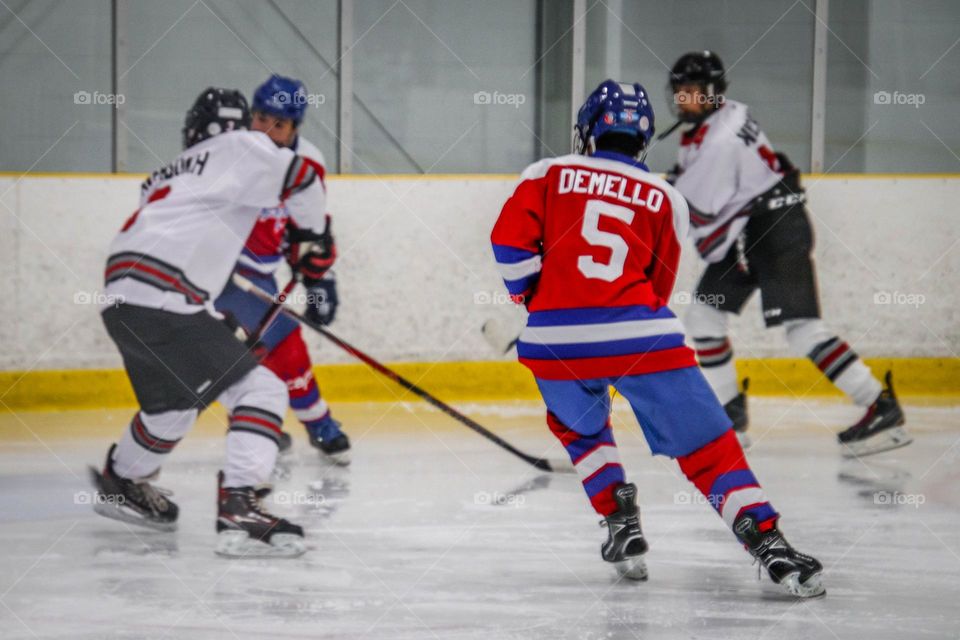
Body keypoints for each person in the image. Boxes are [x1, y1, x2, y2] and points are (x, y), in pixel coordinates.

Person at [490, 80, 825, 598]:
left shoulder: (547, 172)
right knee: (710, 450)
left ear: (588, 129)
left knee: (582, 431)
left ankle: (620, 520)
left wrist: (532, 302)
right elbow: (659, 282)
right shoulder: (666, 196)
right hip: (642, 337)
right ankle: (769, 542)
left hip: (554, 344)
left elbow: (509, 246)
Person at [89, 87, 335, 557]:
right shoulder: (243, 146)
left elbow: (184, 238)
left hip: (123, 299)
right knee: (262, 390)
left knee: (175, 406)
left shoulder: (168, 172)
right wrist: (311, 237)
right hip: (165, 294)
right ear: (239, 125)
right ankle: (240, 503)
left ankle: (122, 480)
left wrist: (206, 313)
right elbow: (304, 176)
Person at [666, 51, 911, 457]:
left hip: (774, 230)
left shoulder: (719, 143)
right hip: (749, 227)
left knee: (803, 330)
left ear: (711, 94)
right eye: (679, 91)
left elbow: (696, 209)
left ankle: (878, 405)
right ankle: (729, 416)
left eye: (690, 91)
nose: (682, 99)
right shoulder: (723, 117)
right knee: (703, 316)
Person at [214, 74, 350, 465]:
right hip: (222, 269)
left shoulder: (307, 163)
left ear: (295, 128)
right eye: (260, 118)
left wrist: (320, 275)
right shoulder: (228, 151)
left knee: (268, 348)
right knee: (275, 344)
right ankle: (311, 424)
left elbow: (308, 227)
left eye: (279, 123)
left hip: (262, 270)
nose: (267, 130)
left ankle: (262, 423)